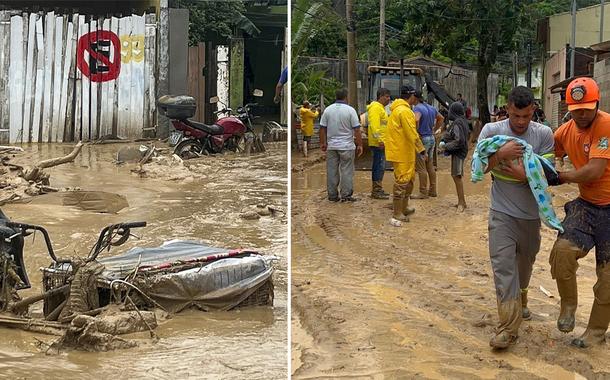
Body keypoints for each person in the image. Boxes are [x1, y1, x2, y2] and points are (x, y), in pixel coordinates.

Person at [477, 86, 554, 349]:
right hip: (501, 213)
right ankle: (508, 329)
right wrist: (500, 155)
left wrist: (526, 177)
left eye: (526, 117)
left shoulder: (543, 135)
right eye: (515, 116)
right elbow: (478, 168)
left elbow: (550, 177)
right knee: (504, 269)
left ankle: (522, 299)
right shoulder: (491, 132)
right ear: (507, 108)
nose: (521, 123)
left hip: (531, 217)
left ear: (533, 110)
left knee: (525, 265)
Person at [548, 77, 610, 348]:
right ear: (569, 108)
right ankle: (568, 306)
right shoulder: (563, 131)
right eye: (577, 109)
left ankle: (595, 333)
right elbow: (551, 151)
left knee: (608, 279)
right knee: (561, 252)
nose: (583, 114)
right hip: (586, 205)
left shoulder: (606, 125)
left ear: (597, 103)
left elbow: (595, 171)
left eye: (587, 108)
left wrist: (561, 176)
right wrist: (550, 164)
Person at [384, 85, 425, 227]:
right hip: (402, 152)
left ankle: (403, 207)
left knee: (409, 179)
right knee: (402, 181)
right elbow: (411, 133)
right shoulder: (404, 111)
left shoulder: (397, 110)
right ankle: (397, 212)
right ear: (411, 96)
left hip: (402, 150)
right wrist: (421, 149)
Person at [319, 88, 363, 202]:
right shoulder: (350, 110)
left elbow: (322, 128)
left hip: (332, 146)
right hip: (347, 146)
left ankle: (332, 196)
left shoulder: (328, 110)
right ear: (346, 97)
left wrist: (323, 143)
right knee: (347, 171)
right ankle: (346, 195)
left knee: (332, 171)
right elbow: (357, 129)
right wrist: (360, 144)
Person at [411, 91, 444, 199]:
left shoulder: (417, 108)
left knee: (421, 166)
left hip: (423, 139)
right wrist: (434, 129)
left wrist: (416, 132)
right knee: (430, 165)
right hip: (431, 138)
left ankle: (423, 192)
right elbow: (441, 118)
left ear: (415, 98)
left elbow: (416, 119)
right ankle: (433, 190)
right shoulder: (431, 108)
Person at [439, 102, 469, 211]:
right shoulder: (463, 121)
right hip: (461, 151)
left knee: (457, 176)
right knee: (456, 176)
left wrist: (446, 146)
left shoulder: (457, 123)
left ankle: (462, 202)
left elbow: (459, 140)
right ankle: (461, 201)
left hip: (458, 152)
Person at [367, 88, 392, 199]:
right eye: (387, 96)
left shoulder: (381, 108)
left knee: (380, 166)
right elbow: (374, 125)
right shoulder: (376, 108)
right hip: (378, 143)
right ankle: (376, 191)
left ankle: (378, 188)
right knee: (378, 166)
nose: (389, 99)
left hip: (381, 142)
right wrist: (380, 140)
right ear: (380, 96)